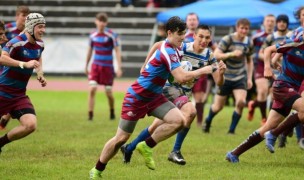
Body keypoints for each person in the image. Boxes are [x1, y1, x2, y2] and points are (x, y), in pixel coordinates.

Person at [89, 16, 217, 179]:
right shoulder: (169, 50)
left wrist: (146, 64)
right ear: (170, 33)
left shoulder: (175, 46)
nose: (183, 37)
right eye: (180, 34)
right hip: (137, 97)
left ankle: (146, 146)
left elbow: (159, 47)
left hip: (155, 96)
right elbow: (181, 77)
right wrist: (203, 70)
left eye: (184, 34)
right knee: (121, 138)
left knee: (179, 121)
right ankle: (97, 170)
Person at [120, 25, 226, 166]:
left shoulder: (209, 56)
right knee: (191, 111)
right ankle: (175, 151)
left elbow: (219, 83)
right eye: (201, 36)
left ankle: (129, 148)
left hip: (184, 94)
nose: (203, 40)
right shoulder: (182, 47)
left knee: (155, 127)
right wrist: (145, 64)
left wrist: (222, 73)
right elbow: (158, 45)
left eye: (207, 37)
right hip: (169, 88)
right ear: (194, 36)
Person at [225, 26, 304, 163]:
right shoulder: (297, 41)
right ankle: (274, 134)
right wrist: (268, 67)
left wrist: (275, 62)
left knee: (268, 125)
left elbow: (277, 58)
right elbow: (268, 50)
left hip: (290, 89)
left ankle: (234, 154)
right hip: (283, 86)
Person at [0, 13, 47, 154]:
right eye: (40, 27)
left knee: (30, 125)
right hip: (3, 91)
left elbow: (38, 58)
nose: (43, 30)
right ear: (31, 27)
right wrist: (24, 64)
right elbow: (2, 58)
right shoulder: (16, 42)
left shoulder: (40, 44)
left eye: (44, 27)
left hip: (19, 95)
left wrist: (40, 73)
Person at [203, 18, 254, 134]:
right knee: (218, 107)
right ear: (237, 28)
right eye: (242, 28)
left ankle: (231, 131)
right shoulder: (228, 39)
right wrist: (232, 54)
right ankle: (208, 120)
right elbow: (216, 55)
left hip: (240, 76)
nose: (244, 31)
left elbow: (250, 61)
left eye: (246, 29)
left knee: (241, 102)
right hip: (225, 76)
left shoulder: (249, 42)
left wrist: (250, 78)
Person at [85, 12, 122, 121]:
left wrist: (119, 67)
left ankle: (112, 112)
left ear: (106, 23)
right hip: (95, 67)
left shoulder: (111, 35)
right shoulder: (92, 35)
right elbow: (89, 51)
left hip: (107, 68)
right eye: (100, 21)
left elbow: (117, 51)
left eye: (103, 21)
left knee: (108, 92)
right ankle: (90, 115)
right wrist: (86, 65)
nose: (101, 23)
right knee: (92, 88)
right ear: (96, 21)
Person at [184, 12, 217, 127]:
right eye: (190, 20)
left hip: (200, 72)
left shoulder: (206, 38)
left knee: (199, 97)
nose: (192, 21)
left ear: (197, 22)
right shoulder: (182, 36)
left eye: (194, 19)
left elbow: (215, 50)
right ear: (186, 22)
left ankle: (199, 122)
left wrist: (213, 62)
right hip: (183, 73)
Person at [0, 5, 30, 130]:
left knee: (12, 93)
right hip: (7, 64)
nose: (4, 37)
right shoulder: (8, 28)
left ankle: (4, 121)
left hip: (13, 68)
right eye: (23, 15)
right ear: (17, 16)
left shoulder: (28, 33)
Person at [247, 14, 275, 125]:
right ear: (264, 22)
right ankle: (264, 119)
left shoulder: (277, 36)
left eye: (272, 21)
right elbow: (249, 50)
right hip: (260, 67)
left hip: (275, 67)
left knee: (274, 95)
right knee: (262, 92)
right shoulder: (256, 36)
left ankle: (253, 104)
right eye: (268, 21)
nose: (270, 23)